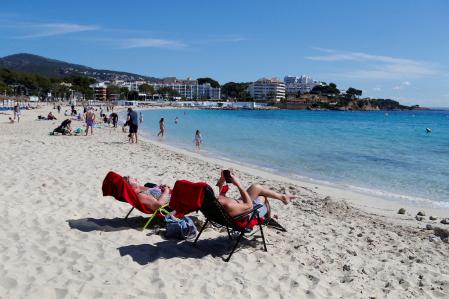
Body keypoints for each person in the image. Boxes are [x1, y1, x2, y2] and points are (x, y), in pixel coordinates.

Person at [215, 170, 297, 218]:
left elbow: (217, 194)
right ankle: (268, 218)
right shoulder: (227, 206)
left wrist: (222, 179)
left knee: (259, 188)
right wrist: (238, 184)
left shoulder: (216, 201)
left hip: (238, 206)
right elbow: (249, 206)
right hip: (246, 214)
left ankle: (282, 197)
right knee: (261, 195)